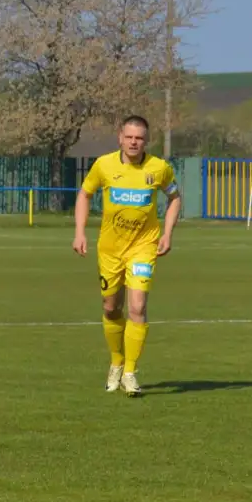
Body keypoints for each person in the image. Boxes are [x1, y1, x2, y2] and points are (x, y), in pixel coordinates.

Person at [73, 115, 181, 397]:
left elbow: (174, 197)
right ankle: (116, 362)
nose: (134, 142)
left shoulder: (159, 168)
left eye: (140, 138)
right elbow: (85, 194)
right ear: (120, 137)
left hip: (143, 248)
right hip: (110, 250)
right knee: (111, 308)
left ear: (147, 141)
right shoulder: (104, 165)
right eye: (130, 137)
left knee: (137, 308)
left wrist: (167, 233)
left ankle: (131, 372)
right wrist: (80, 232)